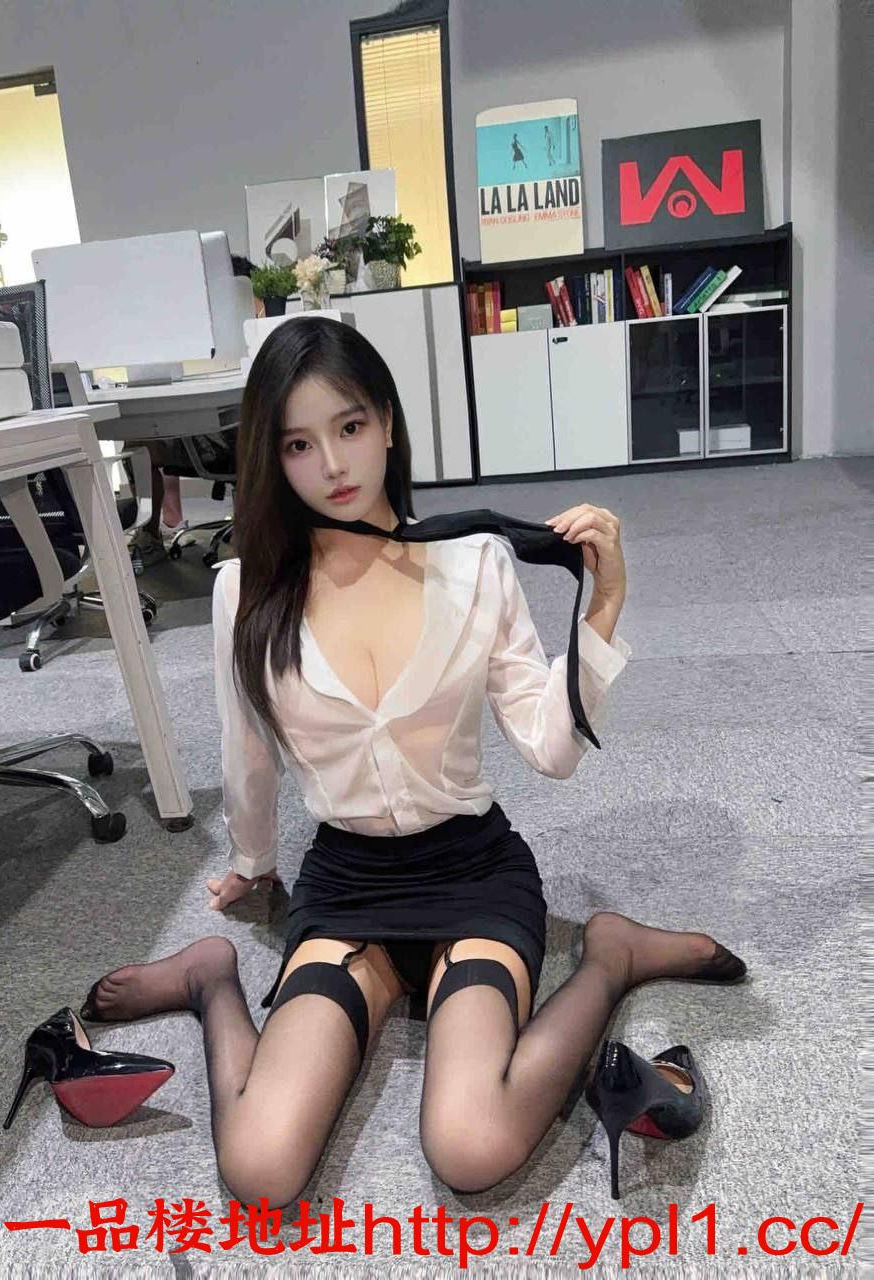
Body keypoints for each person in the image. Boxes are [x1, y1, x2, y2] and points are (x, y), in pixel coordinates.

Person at [79, 317, 746, 1208]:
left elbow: (551, 749)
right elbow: (248, 750)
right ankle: (211, 978)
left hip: (471, 872)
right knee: (262, 1167)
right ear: (272, 458)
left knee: (472, 1146)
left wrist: (604, 607)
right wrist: (253, 861)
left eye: (350, 427)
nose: (333, 465)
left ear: (388, 423)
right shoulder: (247, 588)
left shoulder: (474, 563)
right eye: (299, 445)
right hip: (346, 885)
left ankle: (610, 958)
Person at [127, 255, 265, 569]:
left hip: (239, 438)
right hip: (193, 437)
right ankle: (149, 535)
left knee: (253, 437)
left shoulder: (259, 326)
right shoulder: (190, 330)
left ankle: (254, 540)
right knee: (136, 444)